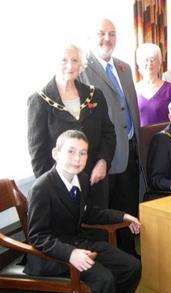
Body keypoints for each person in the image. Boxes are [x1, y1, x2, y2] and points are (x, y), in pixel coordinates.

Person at [24, 130, 141, 293]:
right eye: (71, 151)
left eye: (83, 153)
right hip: (52, 253)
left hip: (78, 242)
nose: (77, 158)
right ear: (55, 153)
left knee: (131, 266)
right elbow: (37, 236)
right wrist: (70, 254)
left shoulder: (82, 179)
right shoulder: (42, 188)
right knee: (103, 279)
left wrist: (122, 216)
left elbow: (89, 213)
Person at [80, 18, 141, 256]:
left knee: (127, 206)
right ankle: (109, 259)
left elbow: (131, 108)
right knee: (105, 211)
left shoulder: (124, 68)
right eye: (101, 33)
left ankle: (129, 254)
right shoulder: (83, 69)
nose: (107, 39)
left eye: (112, 34)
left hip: (129, 150)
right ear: (90, 36)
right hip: (102, 157)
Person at [27, 43, 115, 208]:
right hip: (61, 190)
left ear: (81, 65)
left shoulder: (95, 95)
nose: (70, 66)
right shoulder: (39, 101)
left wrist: (103, 162)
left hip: (95, 181)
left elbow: (108, 133)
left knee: (99, 230)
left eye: (75, 60)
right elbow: (37, 154)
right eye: (64, 60)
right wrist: (55, 187)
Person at [136, 43, 171, 126]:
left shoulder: (170, 89)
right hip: (140, 137)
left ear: (159, 64)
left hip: (164, 137)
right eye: (146, 60)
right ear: (139, 64)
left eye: (153, 59)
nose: (149, 63)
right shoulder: (133, 89)